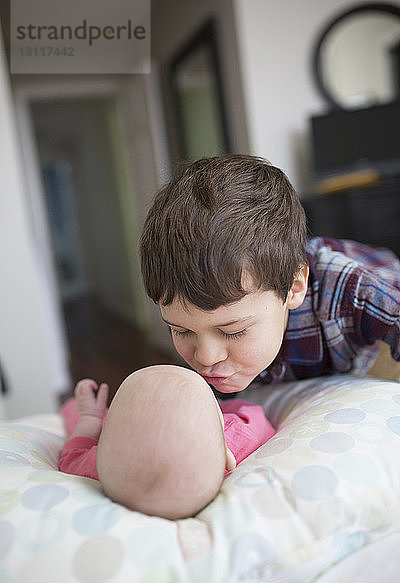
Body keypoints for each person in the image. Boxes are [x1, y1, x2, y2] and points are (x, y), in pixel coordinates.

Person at [139, 154, 400, 395]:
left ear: (294, 288)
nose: (206, 357)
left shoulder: (345, 289)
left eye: (233, 332)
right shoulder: (219, 342)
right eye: (181, 331)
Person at [58, 364, 275, 519]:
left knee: (72, 409)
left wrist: (90, 418)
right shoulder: (235, 440)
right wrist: (219, 409)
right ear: (228, 458)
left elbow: (72, 454)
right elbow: (256, 417)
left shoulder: (99, 466)